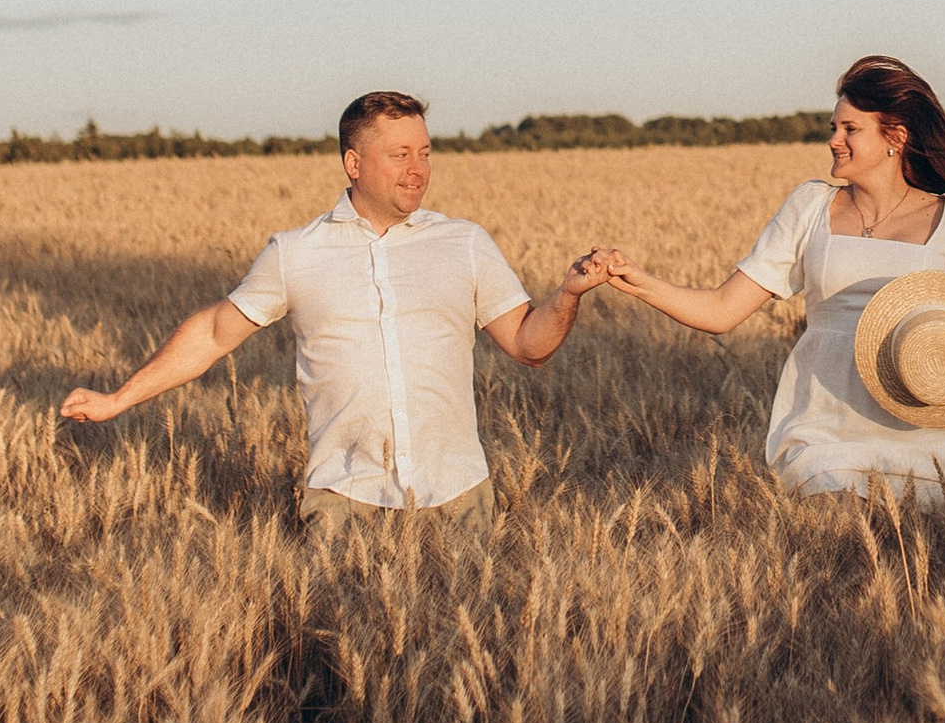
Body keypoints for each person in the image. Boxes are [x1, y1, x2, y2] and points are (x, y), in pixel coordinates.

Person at [59, 89, 609, 529]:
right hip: (345, 502)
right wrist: (118, 399)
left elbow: (528, 346)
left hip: (458, 496)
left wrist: (567, 295)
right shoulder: (295, 253)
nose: (417, 169)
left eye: (424, 153)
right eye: (399, 155)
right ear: (354, 163)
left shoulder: (464, 243)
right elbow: (212, 334)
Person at [583, 56, 945, 502]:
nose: (834, 140)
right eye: (833, 128)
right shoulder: (810, 207)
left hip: (924, 432)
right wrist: (636, 280)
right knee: (832, 521)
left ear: (896, 137)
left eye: (850, 129)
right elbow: (721, 311)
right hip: (825, 423)